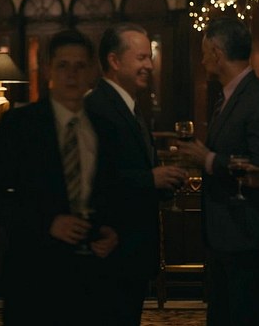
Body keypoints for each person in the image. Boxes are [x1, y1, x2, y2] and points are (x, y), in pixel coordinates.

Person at [0, 29, 119, 326]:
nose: (72, 75)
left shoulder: (104, 129)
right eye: (63, 65)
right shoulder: (21, 125)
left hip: (93, 276)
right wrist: (47, 223)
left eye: (80, 66)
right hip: (35, 273)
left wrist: (111, 230)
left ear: (92, 72)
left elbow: (112, 192)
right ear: (48, 70)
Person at [177, 17, 259, 326]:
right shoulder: (227, 96)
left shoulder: (258, 99)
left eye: (204, 53)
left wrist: (208, 159)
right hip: (224, 236)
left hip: (245, 237)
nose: (202, 60)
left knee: (245, 316)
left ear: (217, 53)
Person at [85, 23, 188, 325]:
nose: (150, 66)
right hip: (110, 250)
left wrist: (162, 183)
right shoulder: (97, 107)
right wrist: (150, 179)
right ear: (114, 61)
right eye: (141, 58)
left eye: (149, 58)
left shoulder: (128, 106)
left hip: (130, 252)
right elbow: (91, 178)